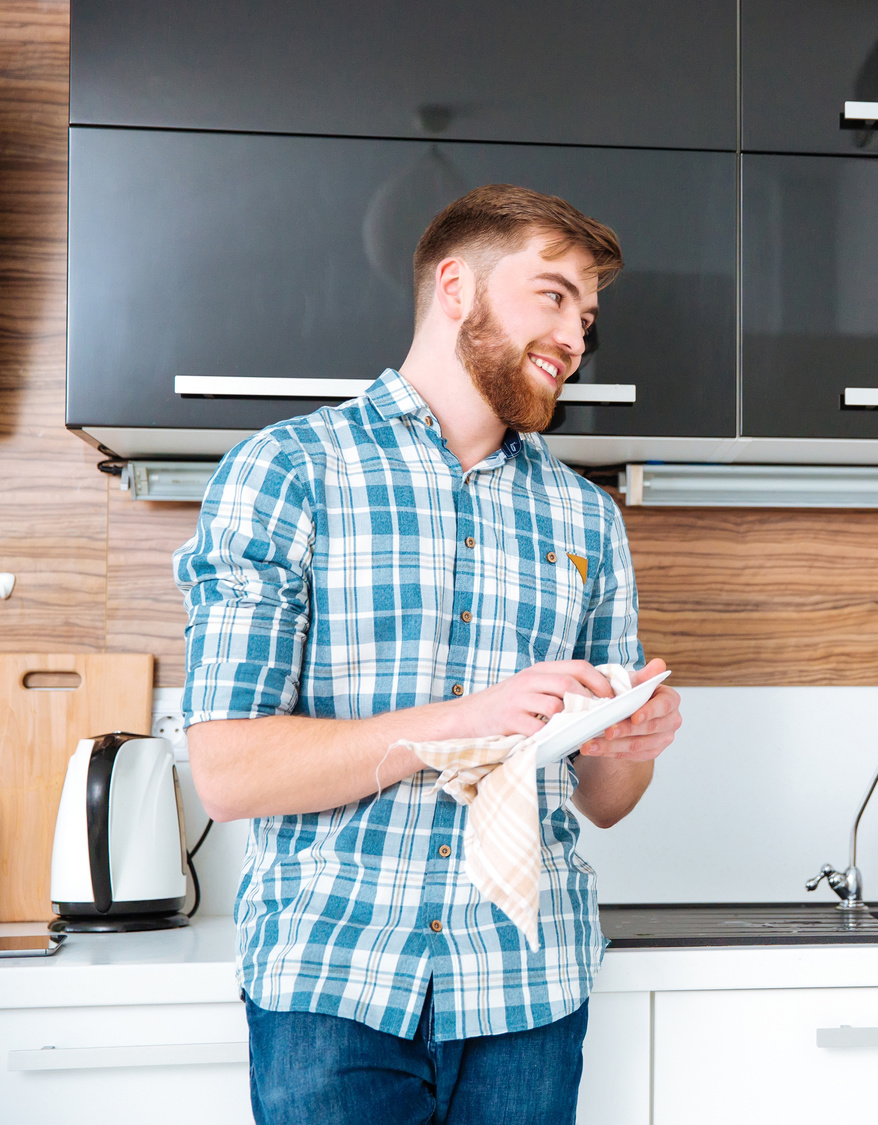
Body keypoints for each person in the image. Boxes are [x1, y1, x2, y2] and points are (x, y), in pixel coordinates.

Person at [174, 184, 683, 1124]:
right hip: (335, 988)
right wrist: (467, 718)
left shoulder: (584, 517)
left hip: (528, 992)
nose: (576, 336)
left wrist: (628, 741)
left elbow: (603, 805)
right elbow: (229, 772)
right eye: (554, 295)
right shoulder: (289, 471)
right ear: (458, 286)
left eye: (588, 313)